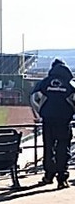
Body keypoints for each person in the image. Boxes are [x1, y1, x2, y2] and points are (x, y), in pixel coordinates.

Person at [29, 57, 75, 189]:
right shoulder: (70, 84)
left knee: (48, 148)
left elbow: (34, 98)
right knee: (63, 148)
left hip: (48, 120)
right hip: (64, 121)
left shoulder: (44, 83)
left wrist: (40, 113)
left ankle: (48, 176)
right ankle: (62, 179)